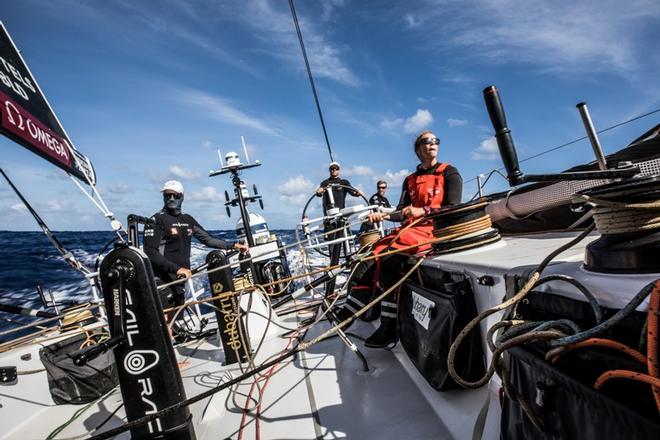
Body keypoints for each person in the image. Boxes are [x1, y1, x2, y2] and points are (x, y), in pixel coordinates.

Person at [335, 130, 462, 348]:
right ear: (418, 149)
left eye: (435, 141)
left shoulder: (449, 173)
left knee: (389, 261)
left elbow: (453, 208)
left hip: (433, 230)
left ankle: (389, 326)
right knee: (366, 257)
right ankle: (349, 312)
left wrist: (423, 211)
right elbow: (402, 211)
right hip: (408, 231)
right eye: (426, 141)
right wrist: (383, 215)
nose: (432, 144)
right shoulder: (410, 180)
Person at [143, 180, 249, 326]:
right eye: (168, 196)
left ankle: (175, 344)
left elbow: (208, 239)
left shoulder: (187, 219)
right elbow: (150, 252)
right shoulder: (156, 220)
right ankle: (168, 348)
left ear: (182, 197)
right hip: (161, 278)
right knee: (166, 320)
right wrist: (177, 269)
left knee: (177, 318)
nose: (171, 199)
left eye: (175, 195)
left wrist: (233, 245)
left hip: (181, 277)